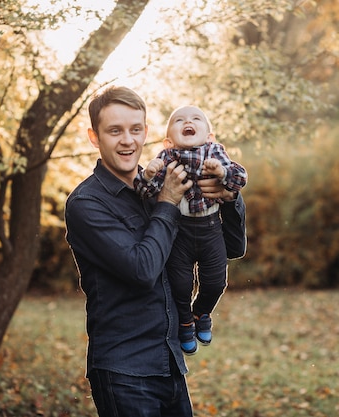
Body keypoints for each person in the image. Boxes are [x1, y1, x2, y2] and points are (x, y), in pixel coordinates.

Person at [64, 86, 247, 417]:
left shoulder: (164, 182)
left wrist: (229, 197)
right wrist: (167, 202)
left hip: (170, 363)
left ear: (147, 132)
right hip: (125, 371)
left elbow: (233, 247)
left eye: (135, 130)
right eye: (114, 131)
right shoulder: (87, 204)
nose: (128, 141)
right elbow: (142, 269)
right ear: (95, 137)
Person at [134, 105, 247, 355]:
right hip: (180, 231)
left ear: (210, 136)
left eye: (197, 118)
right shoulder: (165, 159)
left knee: (216, 282)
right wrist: (149, 175)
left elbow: (240, 178)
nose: (189, 121)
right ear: (168, 140)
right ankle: (185, 320)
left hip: (210, 228)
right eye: (180, 120)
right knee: (180, 283)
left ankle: (202, 312)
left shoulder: (216, 152)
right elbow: (144, 192)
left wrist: (222, 173)